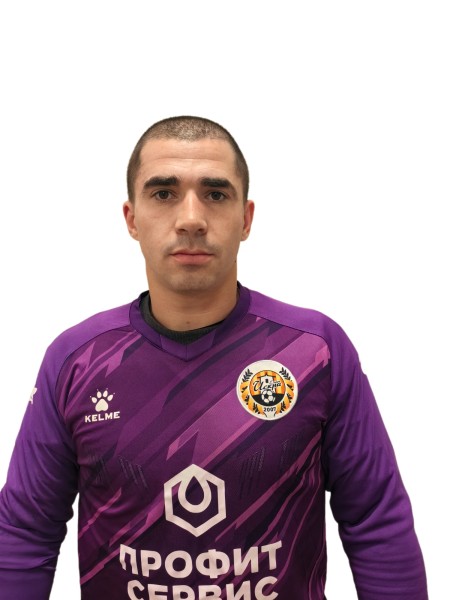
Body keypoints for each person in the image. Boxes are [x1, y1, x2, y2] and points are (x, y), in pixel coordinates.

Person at [0, 116, 427, 600]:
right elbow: (25, 532)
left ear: (246, 218)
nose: (191, 218)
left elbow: (376, 520)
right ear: (132, 219)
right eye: (164, 193)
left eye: (215, 194)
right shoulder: (78, 360)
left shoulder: (315, 352)